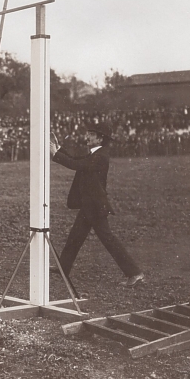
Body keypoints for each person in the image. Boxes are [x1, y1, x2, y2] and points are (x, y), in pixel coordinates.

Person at [50, 122, 144, 287]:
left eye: (91, 135)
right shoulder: (95, 153)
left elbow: (76, 165)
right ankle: (62, 268)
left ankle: (135, 273)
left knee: (107, 239)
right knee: (75, 237)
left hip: (95, 206)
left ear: (101, 138)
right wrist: (58, 150)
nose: (87, 137)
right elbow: (76, 160)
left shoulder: (100, 156)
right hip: (90, 205)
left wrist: (55, 154)